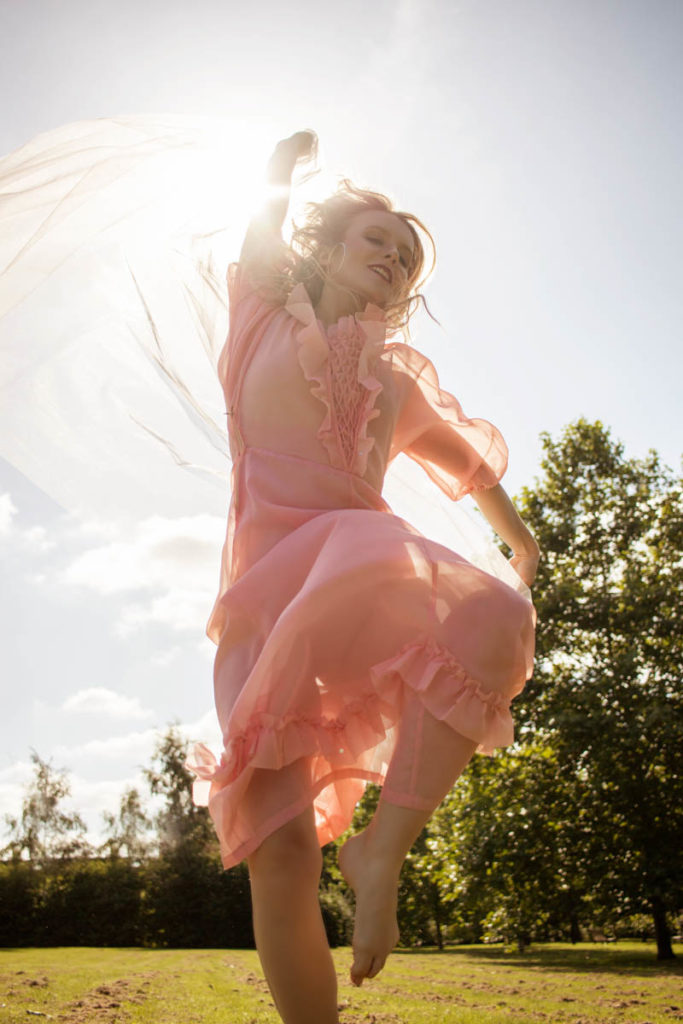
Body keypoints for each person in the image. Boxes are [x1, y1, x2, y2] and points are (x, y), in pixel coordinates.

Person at [187, 129, 539, 1024]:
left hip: (356, 571)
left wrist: (521, 542)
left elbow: (473, 471)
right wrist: (276, 172)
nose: (392, 257)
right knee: (279, 850)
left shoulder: (396, 384)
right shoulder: (261, 318)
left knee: (496, 618)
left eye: (406, 256)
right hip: (263, 609)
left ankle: (382, 850)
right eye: (375, 239)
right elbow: (258, 236)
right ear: (328, 246)